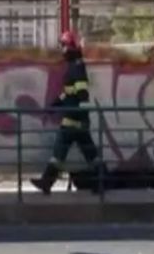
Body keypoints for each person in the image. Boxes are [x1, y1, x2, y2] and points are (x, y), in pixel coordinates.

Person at [30, 30, 101, 195]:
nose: (62, 50)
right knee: (90, 154)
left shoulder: (76, 68)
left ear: (71, 47)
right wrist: (56, 104)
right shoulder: (75, 66)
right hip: (77, 120)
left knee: (59, 152)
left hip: (72, 120)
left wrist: (69, 108)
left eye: (64, 46)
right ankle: (101, 181)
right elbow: (70, 93)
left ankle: (46, 182)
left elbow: (81, 93)